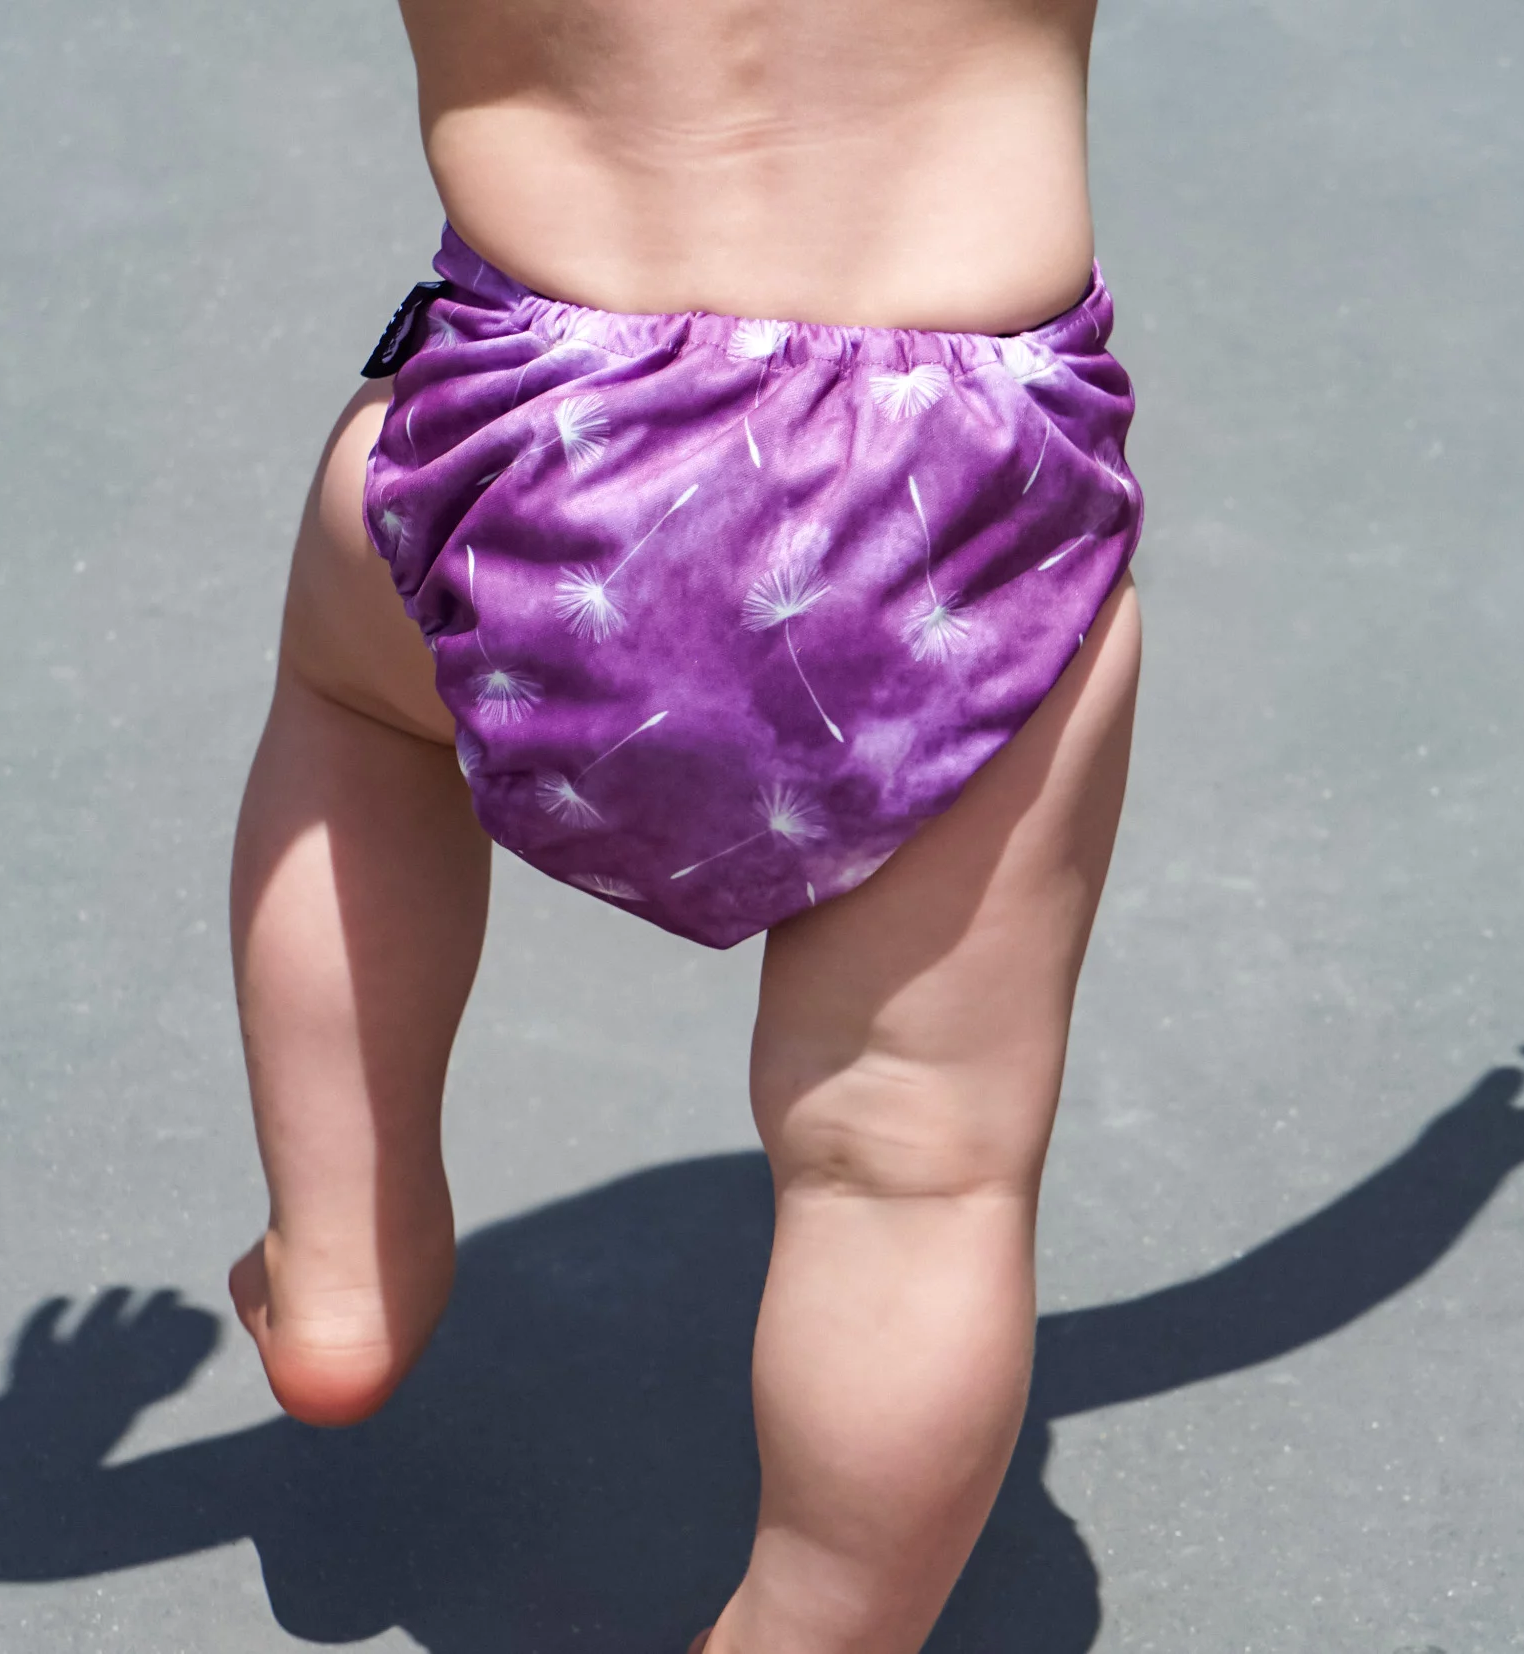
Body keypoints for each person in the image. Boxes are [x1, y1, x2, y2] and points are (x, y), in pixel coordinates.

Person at [227, 0, 1143, 1649]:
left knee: (356, 712)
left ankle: (347, 1251)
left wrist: (51, 1427)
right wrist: (1455, 1163)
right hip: (958, 505)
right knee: (912, 1165)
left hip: (538, 431)